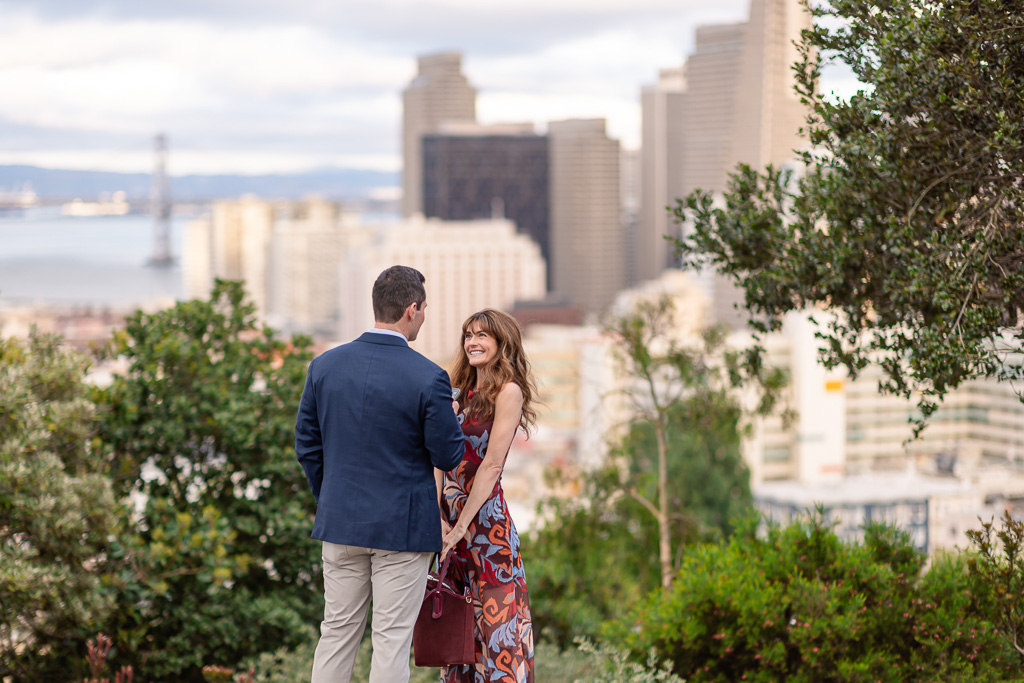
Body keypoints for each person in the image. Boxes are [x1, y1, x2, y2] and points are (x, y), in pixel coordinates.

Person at [295, 265, 465, 683]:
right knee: (391, 639)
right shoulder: (429, 377)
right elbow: (448, 454)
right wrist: (453, 417)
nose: (424, 316)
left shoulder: (324, 366)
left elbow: (307, 445)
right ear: (411, 310)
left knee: (336, 633)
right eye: (424, 309)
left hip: (339, 524)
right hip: (401, 530)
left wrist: (332, 496)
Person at [438, 309, 537, 683]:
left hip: (486, 530)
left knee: (498, 636)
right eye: (468, 335)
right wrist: (440, 520)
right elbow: (435, 458)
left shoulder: (508, 391)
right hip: (448, 530)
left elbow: (492, 465)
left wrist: (462, 525)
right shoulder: (454, 391)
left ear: (501, 343)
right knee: (457, 635)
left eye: (482, 335)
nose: (473, 342)